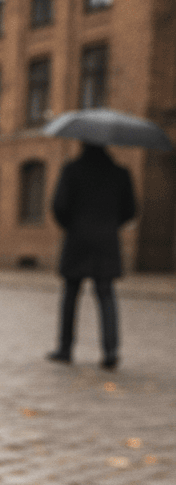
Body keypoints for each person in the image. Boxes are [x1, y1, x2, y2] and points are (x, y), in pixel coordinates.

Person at [47, 143, 137, 370]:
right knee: (106, 296)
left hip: (77, 238)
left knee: (70, 295)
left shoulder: (72, 170)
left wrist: (73, 225)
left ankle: (65, 349)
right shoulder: (120, 173)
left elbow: (58, 206)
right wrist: (109, 225)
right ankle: (110, 351)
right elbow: (131, 210)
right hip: (107, 240)